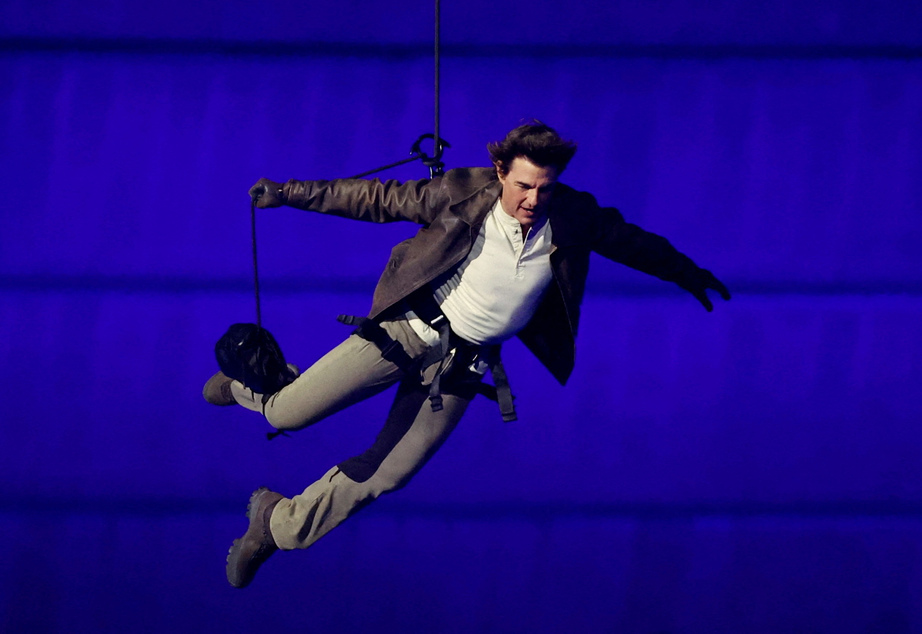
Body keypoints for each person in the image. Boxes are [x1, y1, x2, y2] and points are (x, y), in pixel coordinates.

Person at [203, 122, 730, 588]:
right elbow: (376, 199)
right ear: (501, 171)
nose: (531, 199)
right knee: (288, 411)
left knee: (391, 472)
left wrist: (688, 273)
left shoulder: (573, 215)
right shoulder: (461, 191)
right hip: (406, 331)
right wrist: (288, 192)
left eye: (544, 189)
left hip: (461, 365)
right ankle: (243, 388)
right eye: (522, 185)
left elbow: (635, 243)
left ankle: (277, 523)